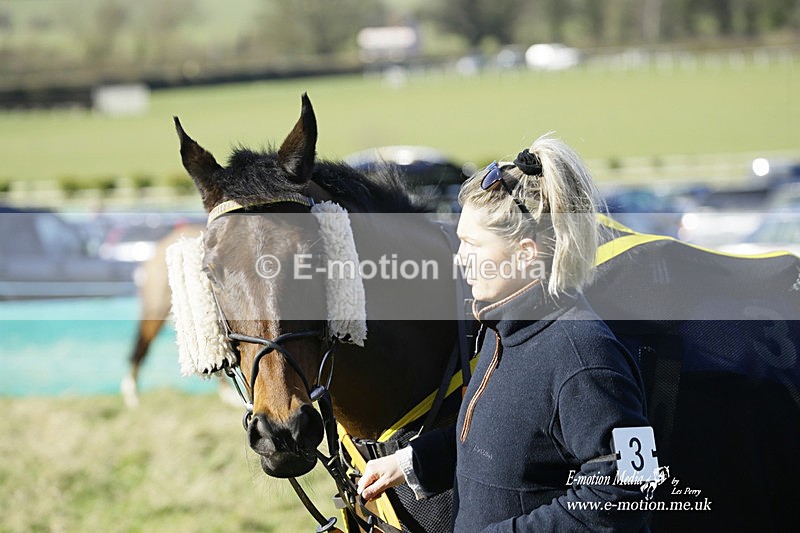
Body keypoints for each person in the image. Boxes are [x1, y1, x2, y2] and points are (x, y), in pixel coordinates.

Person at [356, 134, 653, 531]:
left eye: (471, 245)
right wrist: (411, 463)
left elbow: (632, 490)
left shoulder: (586, 356)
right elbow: (501, 443)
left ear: (526, 255)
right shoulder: (500, 334)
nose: (459, 260)